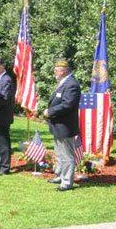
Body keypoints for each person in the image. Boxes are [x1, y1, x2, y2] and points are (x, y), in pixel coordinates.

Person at [43, 58, 81, 192]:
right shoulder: (63, 82)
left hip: (65, 126)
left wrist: (50, 111)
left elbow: (67, 105)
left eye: (57, 70)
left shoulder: (72, 84)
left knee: (66, 155)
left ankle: (67, 182)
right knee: (59, 153)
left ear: (64, 70)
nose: (54, 72)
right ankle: (60, 175)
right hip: (58, 124)